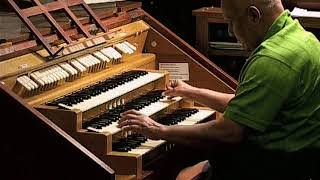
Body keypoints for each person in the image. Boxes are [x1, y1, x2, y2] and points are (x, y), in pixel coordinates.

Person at [118, 0, 320, 179]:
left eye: (231, 21)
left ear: (253, 15)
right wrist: (190, 92)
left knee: (177, 170)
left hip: (272, 167)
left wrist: (159, 130)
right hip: (300, 161)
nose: (231, 32)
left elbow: (230, 132)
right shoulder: (302, 38)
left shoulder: (272, 59)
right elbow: (247, 107)